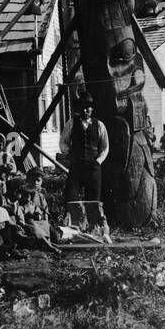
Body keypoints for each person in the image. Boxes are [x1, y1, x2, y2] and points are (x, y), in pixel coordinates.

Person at [57, 93, 112, 242]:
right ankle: (74, 232)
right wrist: (69, 154)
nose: (86, 110)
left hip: (93, 168)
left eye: (88, 108)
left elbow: (105, 147)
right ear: (79, 108)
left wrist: (98, 161)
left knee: (94, 199)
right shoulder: (71, 123)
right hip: (76, 167)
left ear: (92, 109)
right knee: (72, 197)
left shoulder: (99, 125)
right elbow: (63, 141)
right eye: (83, 107)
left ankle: (95, 232)